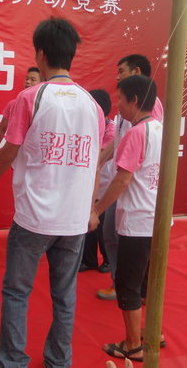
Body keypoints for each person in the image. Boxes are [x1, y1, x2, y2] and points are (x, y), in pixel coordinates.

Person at [0, 17, 105, 368]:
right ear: (71, 55)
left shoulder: (31, 97)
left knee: (17, 291)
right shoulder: (92, 105)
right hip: (74, 221)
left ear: (41, 54)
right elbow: (94, 162)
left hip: (34, 219)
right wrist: (91, 208)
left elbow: (10, 149)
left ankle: (13, 361)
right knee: (64, 295)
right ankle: (58, 361)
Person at [94, 75, 163, 363]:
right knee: (148, 282)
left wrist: (97, 211)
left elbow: (122, 180)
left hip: (137, 221)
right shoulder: (161, 128)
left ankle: (133, 344)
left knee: (128, 284)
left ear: (134, 100)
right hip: (157, 220)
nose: (118, 106)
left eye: (121, 99)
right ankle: (152, 332)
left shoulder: (137, 133)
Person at [79, 89, 115, 273]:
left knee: (102, 226)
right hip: (88, 184)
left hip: (106, 184)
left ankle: (108, 259)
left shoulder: (112, 129)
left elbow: (99, 157)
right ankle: (88, 260)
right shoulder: (86, 125)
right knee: (87, 223)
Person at [0, 66, 42, 154]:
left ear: (42, 83)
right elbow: (2, 129)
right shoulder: (13, 104)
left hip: (36, 153)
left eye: (33, 79)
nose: (28, 82)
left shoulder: (45, 105)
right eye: (27, 79)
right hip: (16, 153)